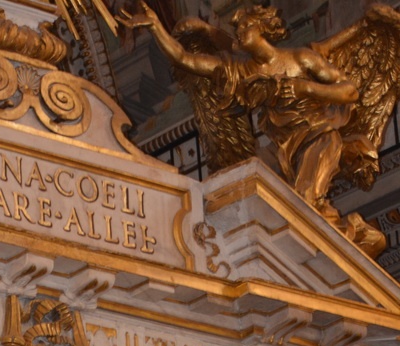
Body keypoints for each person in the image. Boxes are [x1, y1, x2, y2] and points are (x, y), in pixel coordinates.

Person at [119, 2, 358, 215]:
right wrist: (155, 27)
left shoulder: (300, 58)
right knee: (246, 189)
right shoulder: (243, 72)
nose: (240, 32)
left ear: (262, 27)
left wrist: (305, 88)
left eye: (246, 26)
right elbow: (183, 58)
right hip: (284, 148)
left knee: (305, 203)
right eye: (238, 29)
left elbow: (349, 91)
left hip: (318, 136)